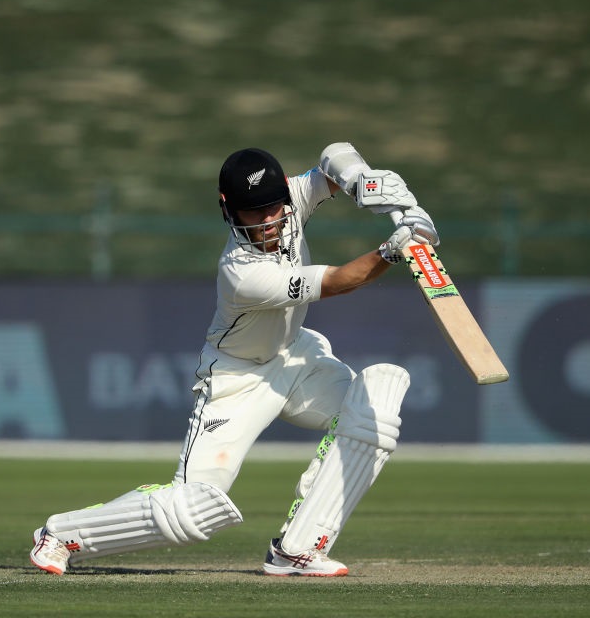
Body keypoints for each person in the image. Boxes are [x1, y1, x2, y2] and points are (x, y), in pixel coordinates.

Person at [29, 143, 439, 576]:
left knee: (374, 407)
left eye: (272, 208)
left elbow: (335, 155)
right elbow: (337, 282)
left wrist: (366, 183)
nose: (268, 221)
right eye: (253, 213)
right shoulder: (240, 272)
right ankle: (61, 534)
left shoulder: (291, 199)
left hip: (295, 357)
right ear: (229, 211)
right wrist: (392, 251)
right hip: (235, 379)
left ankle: (298, 549)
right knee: (193, 510)